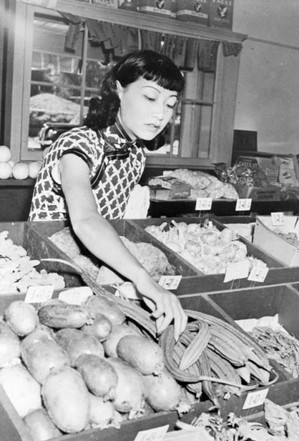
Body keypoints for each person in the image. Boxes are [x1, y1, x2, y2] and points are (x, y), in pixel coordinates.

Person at [29, 50, 188, 337]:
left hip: (99, 275)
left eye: (170, 104)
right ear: (118, 89)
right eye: (150, 98)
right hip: (49, 277)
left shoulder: (137, 153)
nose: (160, 114)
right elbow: (87, 220)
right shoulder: (76, 144)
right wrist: (143, 279)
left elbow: (112, 222)